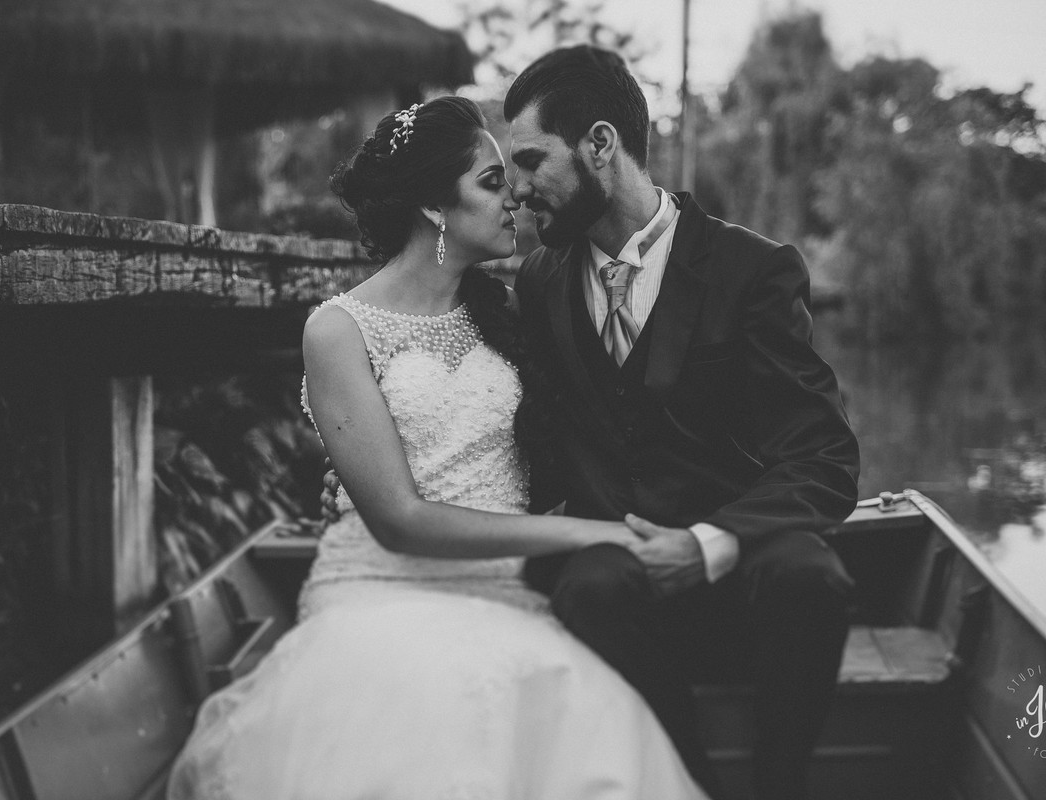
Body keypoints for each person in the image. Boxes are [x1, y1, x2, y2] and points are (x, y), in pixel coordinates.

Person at [318, 46, 861, 799]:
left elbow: (825, 455)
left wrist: (709, 543)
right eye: (500, 173)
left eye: (532, 161)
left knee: (811, 574)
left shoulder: (751, 270)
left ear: (600, 146)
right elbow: (526, 430)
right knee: (589, 591)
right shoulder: (538, 283)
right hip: (616, 571)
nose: (518, 188)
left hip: (738, 556)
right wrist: (362, 479)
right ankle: (689, 785)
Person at [167, 96, 708, 799]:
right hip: (380, 591)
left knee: (576, 720)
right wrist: (590, 533)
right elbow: (398, 518)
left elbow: (589, 433)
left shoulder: (515, 312)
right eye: (491, 181)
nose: (514, 194)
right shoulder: (339, 329)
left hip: (503, 594)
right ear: (432, 206)